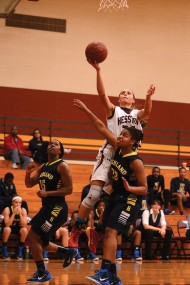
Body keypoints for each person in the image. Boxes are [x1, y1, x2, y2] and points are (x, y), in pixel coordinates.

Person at [69, 61, 155, 246]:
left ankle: (97, 232)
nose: (125, 94)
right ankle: (76, 231)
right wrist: (99, 71)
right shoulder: (113, 110)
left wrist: (148, 97)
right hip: (110, 152)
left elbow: (147, 111)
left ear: (133, 100)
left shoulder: (136, 115)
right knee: (93, 194)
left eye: (129, 92)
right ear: (118, 99)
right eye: (122, 92)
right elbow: (101, 94)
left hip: (126, 158)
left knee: (115, 197)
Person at [74, 99, 147, 285]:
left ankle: (105, 271)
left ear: (133, 141)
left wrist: (131, 188)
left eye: (124, 135)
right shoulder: (116, 149)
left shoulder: (136, 162)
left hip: (130, 201)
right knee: (106, 231)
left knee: (111, 232)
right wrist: (85, 109)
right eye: (120, 134)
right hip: (117, 198)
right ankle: (113, 275)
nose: (119, 136)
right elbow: (100, 126)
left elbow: (145, 188)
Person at [25, 139, 77, 283]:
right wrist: (27, 173)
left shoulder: (62, 166)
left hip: (57, 208)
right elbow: (29, 184)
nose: (52, 145)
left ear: (60, 151)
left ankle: (42, 271)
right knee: (40, 241)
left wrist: (48, 193)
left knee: (32, 237)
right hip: (47, 208)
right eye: (50, 144)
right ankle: (67, 252)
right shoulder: (43, 167)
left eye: (56, 144)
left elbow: (69, 189)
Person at [1, 195, 28, 260]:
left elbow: (24, 225)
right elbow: (7, 224)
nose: (18, 204)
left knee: (24, 230)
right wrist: (13, 214)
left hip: (17, 228)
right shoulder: (7, 209)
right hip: (7, 228)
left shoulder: (23, 210)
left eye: (20, 203)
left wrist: (20, 214)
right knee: (7, 229)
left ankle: (20, 249)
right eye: (16, 202)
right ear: (12, 203)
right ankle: (4, 248)